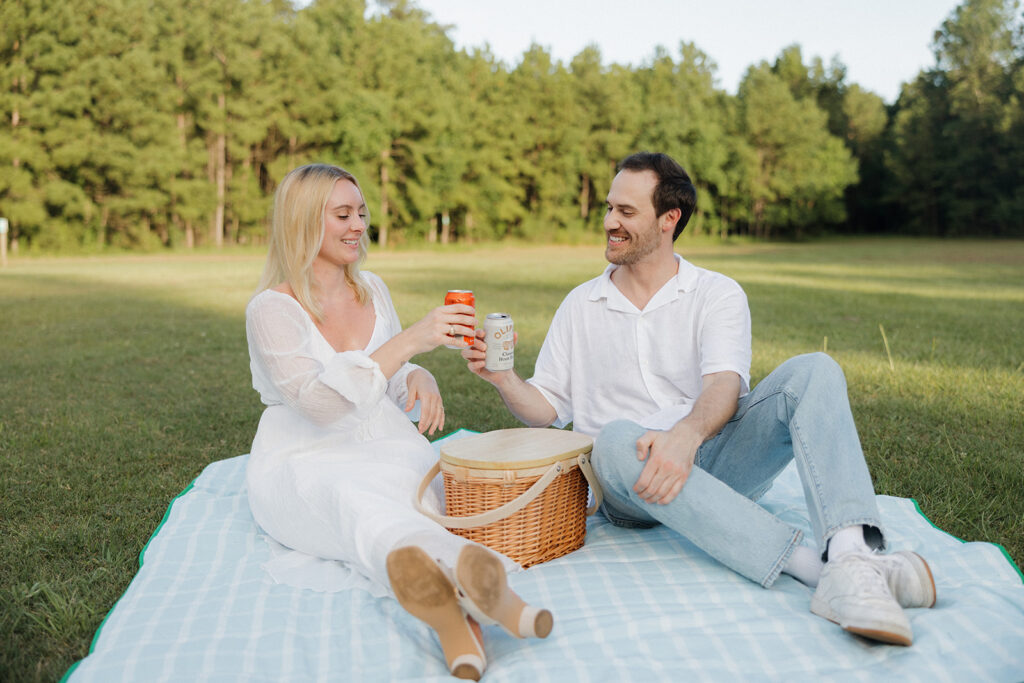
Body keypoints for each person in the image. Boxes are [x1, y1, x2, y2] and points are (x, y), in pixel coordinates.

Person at [463, 152, 936, 646]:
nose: (609, 222)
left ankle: (849, 556)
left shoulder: (717, 293)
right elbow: (547, 410)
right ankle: (817, 572)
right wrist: (504, 379)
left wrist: (685, 436)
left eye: (626, 212)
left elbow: (723, 386)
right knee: (614, 439)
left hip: (713, 457)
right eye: (609, 208)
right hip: (629, 480)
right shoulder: (581, 304)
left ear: (670, 219)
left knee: (815, 370)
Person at [245, 163, 551, 681]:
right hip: (303, 454)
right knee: (354, 502)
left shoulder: (372, 288)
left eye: (361, 213)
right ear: (301, 221)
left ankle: (457, 626)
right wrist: (413, 340)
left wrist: (420, 374)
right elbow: (320, 405)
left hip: (382, 440)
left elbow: (386, 374)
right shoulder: (270, 309)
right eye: (342, 214)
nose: (357, 225)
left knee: (406, 498)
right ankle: (493, 598)